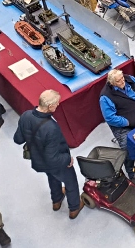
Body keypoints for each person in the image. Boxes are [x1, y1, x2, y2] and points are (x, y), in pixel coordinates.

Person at [14, 90, 85, 219]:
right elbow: (53, 159)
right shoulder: (51, 128)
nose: (58, 105)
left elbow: (18, 139)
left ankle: (56, 200)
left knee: (52, 177)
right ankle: (74, 207)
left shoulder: (26, 115)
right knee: (71, 183)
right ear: (50, 107)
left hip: (38, 160)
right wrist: (68, 158)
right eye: (56, 104)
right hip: (56, 162)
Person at [99, 69, 135, 174]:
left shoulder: (130, 79)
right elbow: (110, 118)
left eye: (122, 77)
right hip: (125, 125)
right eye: (118, 81)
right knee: (128, 147)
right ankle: (132, 173)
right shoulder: (105, 97)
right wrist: (128, 122)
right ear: (112, 83)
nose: (123, 81)